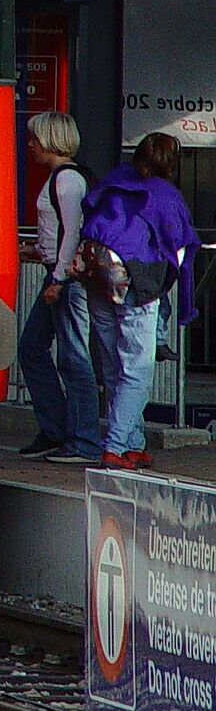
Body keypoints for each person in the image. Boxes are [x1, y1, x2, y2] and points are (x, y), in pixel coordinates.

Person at [77, 131, 201, 471]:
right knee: (137, 371)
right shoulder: (167, 196)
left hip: (98, 278)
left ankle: (134, 443)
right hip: (137, 282)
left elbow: (90, 211)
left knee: (113, 367)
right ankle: (116, 446)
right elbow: (179, 244)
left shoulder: (114, 181)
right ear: (171, 165)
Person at [13, 112, 98, 463]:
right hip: (59, 273)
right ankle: (59, 431)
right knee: (34, 348)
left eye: (35, 138)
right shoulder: (65, 178)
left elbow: (72, 233)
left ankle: (82, 439)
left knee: (72, 357)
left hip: (65, 279)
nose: (30, 144)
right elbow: (64, 232)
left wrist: (58, 279)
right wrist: (38, 251)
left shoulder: (66, 180)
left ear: (50, 140)